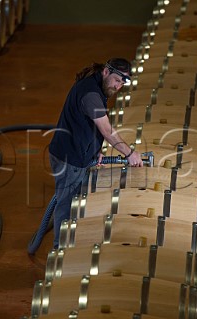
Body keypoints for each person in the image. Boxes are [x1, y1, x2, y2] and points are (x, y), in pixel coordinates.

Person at [48, 57, 144, 248]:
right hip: (70, 159)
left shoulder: (96, 85)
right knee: (66, 205)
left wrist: (95, 149)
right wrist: (129, 153)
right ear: (106, 72)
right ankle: (60, 250)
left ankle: (68, 243)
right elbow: (107, 131)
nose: (118, 87)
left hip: (78, 155)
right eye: (117, 80)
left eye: (122, 84)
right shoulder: (91, 94)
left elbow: (87, 123)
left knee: (73, 203)